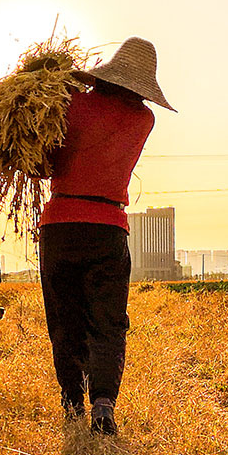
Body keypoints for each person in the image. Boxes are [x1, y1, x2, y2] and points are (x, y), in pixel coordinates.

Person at [38, 36, 176, 434]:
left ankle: (71, 404)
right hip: (108, 229)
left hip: (61, 224)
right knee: (108, 321)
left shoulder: (70, 104)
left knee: (65, 319)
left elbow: (43, 166)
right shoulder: (143, 120)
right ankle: (103, 402)